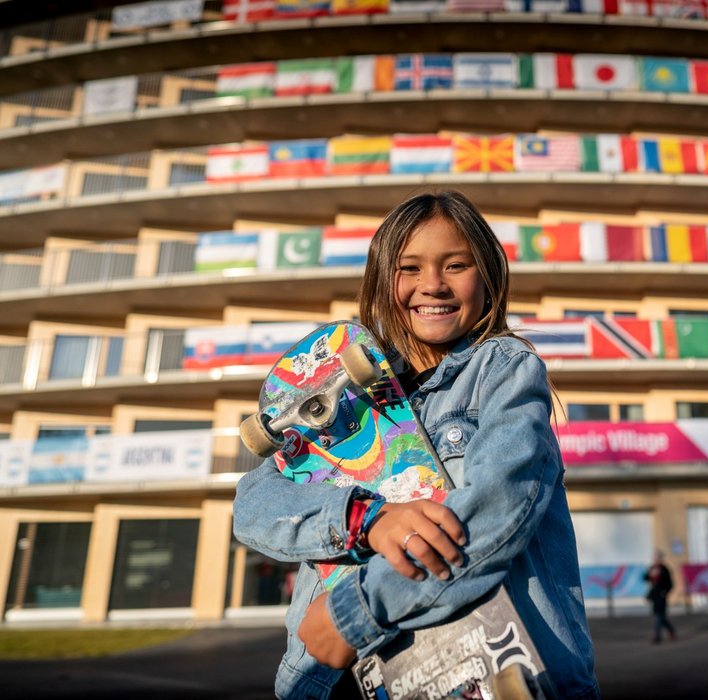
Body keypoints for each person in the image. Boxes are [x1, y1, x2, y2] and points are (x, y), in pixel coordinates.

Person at [233, 191, 600, 699]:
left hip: (497, 667)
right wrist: (368, 519)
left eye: (456, 265)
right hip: (338, 680)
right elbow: (253, 503)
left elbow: (498, 508)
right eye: (410, 267)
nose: (433, 284)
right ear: (383, 280)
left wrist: (356, 613)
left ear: (488, 275)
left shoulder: (503, 372)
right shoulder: (340, 392)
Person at [643, 550, 675, 644]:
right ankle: (671, 630)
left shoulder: (664, 569)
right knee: (660, 617)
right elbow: (645, 578)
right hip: (654, 596)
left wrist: (665, 592)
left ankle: (657, 636)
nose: (655, 559)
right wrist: (650, 574)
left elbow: (670, 584)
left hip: (661, 596)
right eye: (654, 557)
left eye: (657, 557)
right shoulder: (652, 568)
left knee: (658, 616)